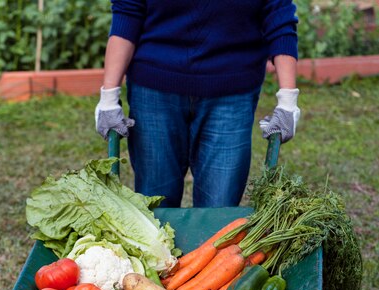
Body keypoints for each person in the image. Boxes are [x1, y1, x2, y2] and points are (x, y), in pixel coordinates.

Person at [95, 1, 300, 208]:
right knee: (156, 204)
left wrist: (288, 101)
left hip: (231, 92)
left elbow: (279, 14)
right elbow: (129, 12)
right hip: (155, 91)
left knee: (219, 211)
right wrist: (109, 97)